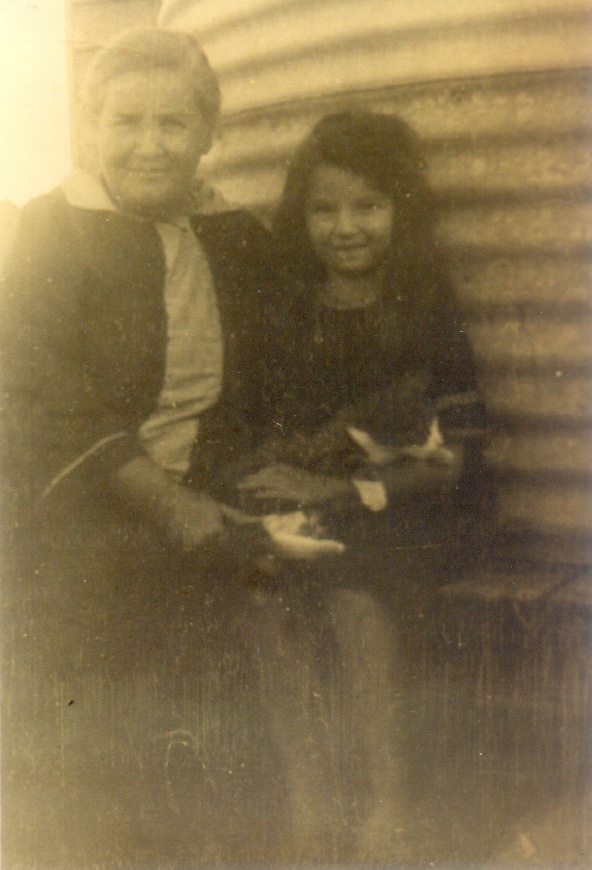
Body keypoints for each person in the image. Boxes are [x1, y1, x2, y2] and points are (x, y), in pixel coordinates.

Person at [0, 27, 283, 864]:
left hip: (207, 502)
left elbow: (277, 374)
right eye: (126, 122)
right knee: (97, 736)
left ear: (209, 134)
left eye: (173, 123)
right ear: (92, 129)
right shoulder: (52, 230)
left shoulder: (236, 237)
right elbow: (38, 396)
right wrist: (168, 504)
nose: (150, 145)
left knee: (222, 730)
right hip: (80, 513)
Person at [234, 110, 489, 864]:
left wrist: (336, 495)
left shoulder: (427, 304)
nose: (345, 228)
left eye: (367, 206)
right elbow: (276, 431)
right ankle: (309, 797)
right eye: (324, 209)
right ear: (302, 217)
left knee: (353, 597)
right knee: (264, 594)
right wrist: (290, 484)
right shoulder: (292, 310)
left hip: (423, 505)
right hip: (328, 502)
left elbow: (454, 459)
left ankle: (390, 802)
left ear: (400, 211)